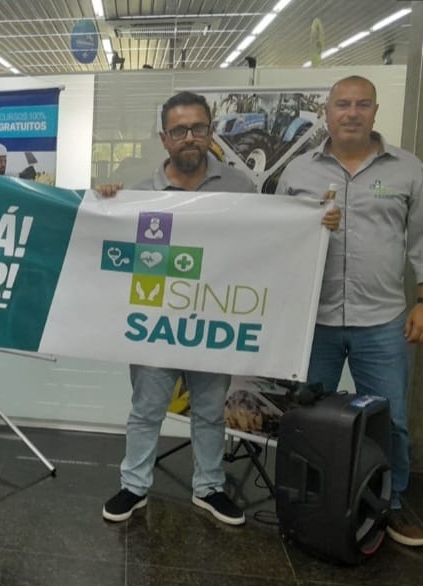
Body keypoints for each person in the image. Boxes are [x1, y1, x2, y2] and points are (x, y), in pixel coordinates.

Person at [96, 91, 340, 526]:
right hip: (156, 319)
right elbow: (116, 246)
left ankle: (208, 487)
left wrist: (314, 223)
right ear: (164, 138)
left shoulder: (239, 187)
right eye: (179, 130)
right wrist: (107, 203)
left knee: (209, 409)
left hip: (213, 317)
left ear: (210, 133)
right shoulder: (139, 191)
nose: (190, 137)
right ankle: (134, 486)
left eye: (199, 128)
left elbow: (268, 241)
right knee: (146, 408)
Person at [277, 75, 423, 547]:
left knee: (391, 422)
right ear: (326, 112)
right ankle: (307, 506)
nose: (351, 113)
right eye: (342, 104)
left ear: (375, 111)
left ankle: (389, 506)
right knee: (306, 418)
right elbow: (275, 239)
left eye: (362, 104)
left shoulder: (406, 170)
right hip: (316, 322)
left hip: (384, 322)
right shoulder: (297, 173)